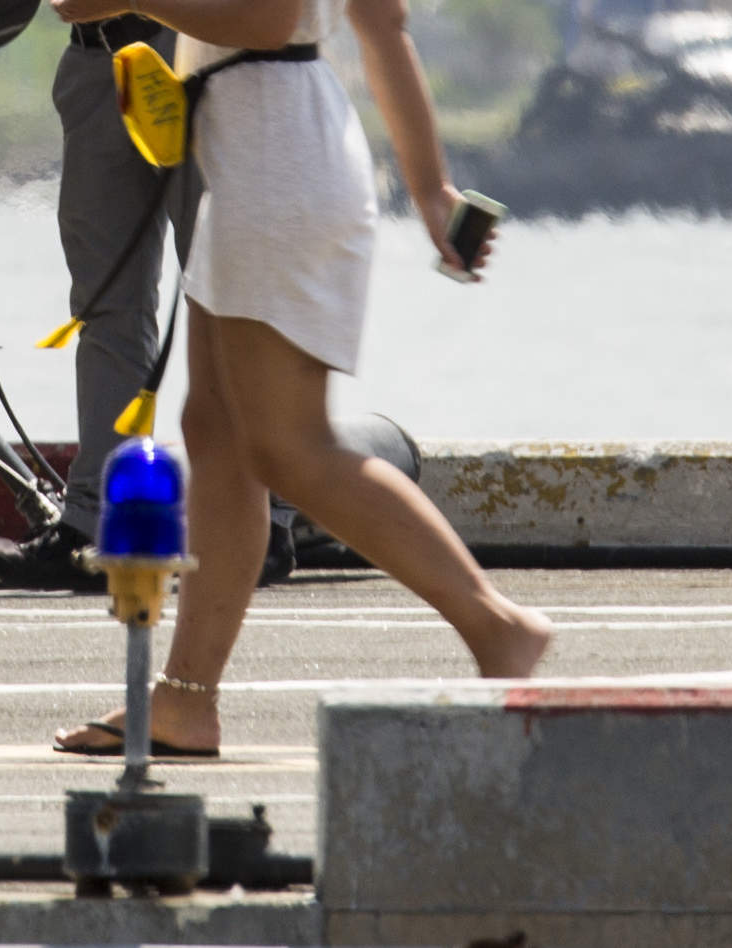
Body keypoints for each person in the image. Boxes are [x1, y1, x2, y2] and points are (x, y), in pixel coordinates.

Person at [38, 0, 557, 758]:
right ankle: (186, 700)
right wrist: (430, 191)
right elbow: (382, 23)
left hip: (270, 157)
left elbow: (268, 18)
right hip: (259, 144)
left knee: (287, 446)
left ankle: (495, 624)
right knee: (215, 434)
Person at [49, 11, 192, 548]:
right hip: (94, 55)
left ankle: (270, 515)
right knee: (106, 305)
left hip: (192, 49)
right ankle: (99, 519)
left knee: (228, 300)